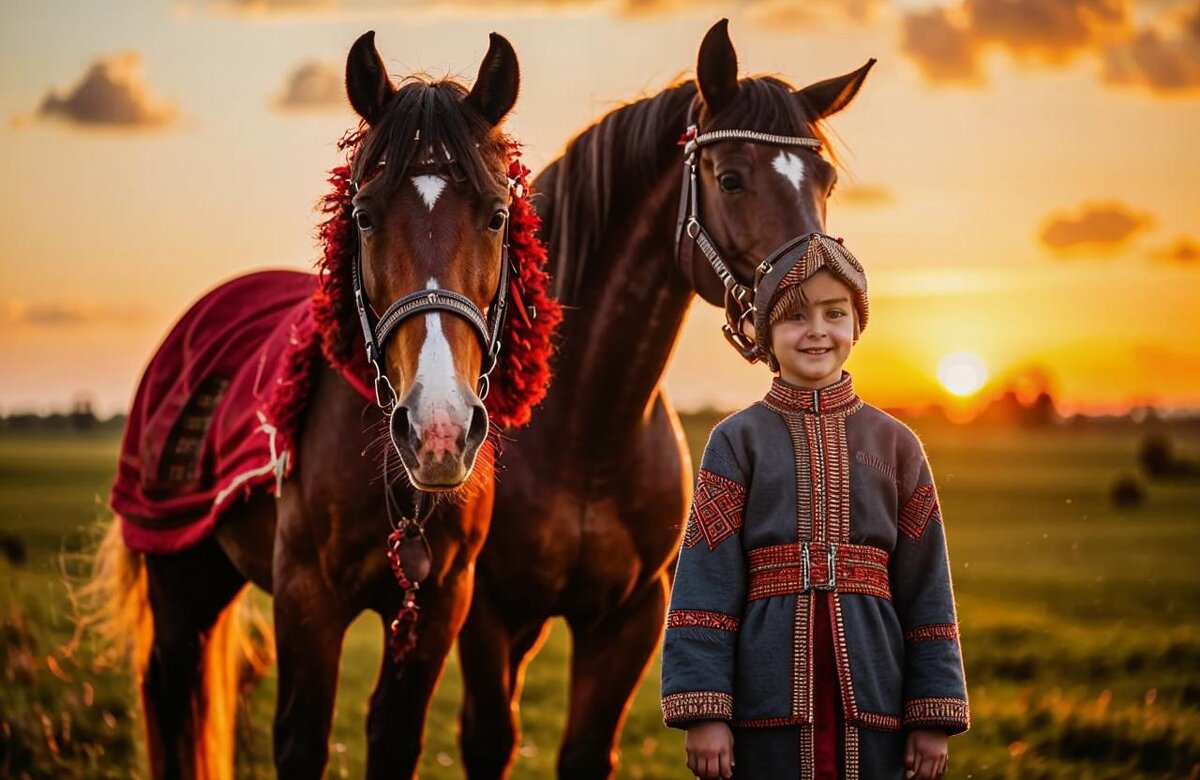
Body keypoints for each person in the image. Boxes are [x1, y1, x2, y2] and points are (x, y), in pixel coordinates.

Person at [660, 234, 969, 779]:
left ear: (857, 324)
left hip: (876, 695)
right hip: (766, 695)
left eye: (834, 313)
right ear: (765, 331)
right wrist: (704, 711)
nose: (817, 331)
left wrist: (933, 713)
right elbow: (706, 578)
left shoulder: (896, 445)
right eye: (796, 317)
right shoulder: (737, 441)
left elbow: (927, 587)